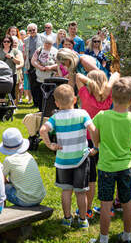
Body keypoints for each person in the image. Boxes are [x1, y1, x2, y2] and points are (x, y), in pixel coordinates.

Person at [90, 78, 131, 243]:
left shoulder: (102, 116)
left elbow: (94, 134)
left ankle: (103, 239)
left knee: (106, 204)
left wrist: (97, 145)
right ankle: (127, 236)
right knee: (126, 203)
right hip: (126, 166)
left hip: (106, 167)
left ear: (111, 97)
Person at [40, 85, 96, 229]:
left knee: (66, 191)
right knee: (81, 192)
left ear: (57, 103)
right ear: (75, 99)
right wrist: (95, 146)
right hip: (81, 160)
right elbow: (93, 129)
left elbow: (43, 130)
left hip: (63, 161)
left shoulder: (55, 117)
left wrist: (50, 145)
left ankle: (67, 219)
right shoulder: (83, 113)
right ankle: (83, 220)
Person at [76, 70, 120, 217]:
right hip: (105, 139)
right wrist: (108, 84)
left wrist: (90, 83)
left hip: (87, 140)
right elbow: (117, 75)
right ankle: (108, 207)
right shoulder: (109, 97)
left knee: (91, 177)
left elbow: (77, 76)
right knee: (106, 174)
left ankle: (87, 209)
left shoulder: (85, 95)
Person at [0, 128, 46, 207]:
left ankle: (1, 211)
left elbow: (1, 179)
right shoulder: (29, 156)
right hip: (39, 197)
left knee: (1, 187)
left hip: (25, 200)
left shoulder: (9, 160)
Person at [31, 37, 58, 111]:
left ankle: (49, 109)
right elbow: (33, 61)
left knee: (49, 95)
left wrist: (50, 67)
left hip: (51, 77)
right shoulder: (39, 50)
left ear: (52, 44)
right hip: (39, 77)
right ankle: (41, 109)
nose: (47, 45)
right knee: (40, 94)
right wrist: (39, 66)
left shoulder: (55, 51)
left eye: (49, 43)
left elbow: (59, 64)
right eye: (46, 43)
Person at [23, 23, 45, 109]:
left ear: (37, 30)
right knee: (32, 84)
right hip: (30, 64)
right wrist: (26, 66)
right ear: (28, 31)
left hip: (39, 63)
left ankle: (42, 102)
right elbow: (25, 53)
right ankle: (35, 102)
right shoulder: (26, 40)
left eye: (33, 30)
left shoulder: (42, 38)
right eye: (30, 30)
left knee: (40, 83)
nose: (32, 32)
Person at [0, 34, 22, 101]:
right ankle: (2, 107)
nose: (6, 43)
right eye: (4, 41)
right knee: (2, 92)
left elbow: (18, 62)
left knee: (12, 91)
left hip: (12, 74)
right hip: (2, 74)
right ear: (2, 42)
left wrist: (12, 57)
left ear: (11, 42)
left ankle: (13, 108)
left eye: (8, 41)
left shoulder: (14, 51)